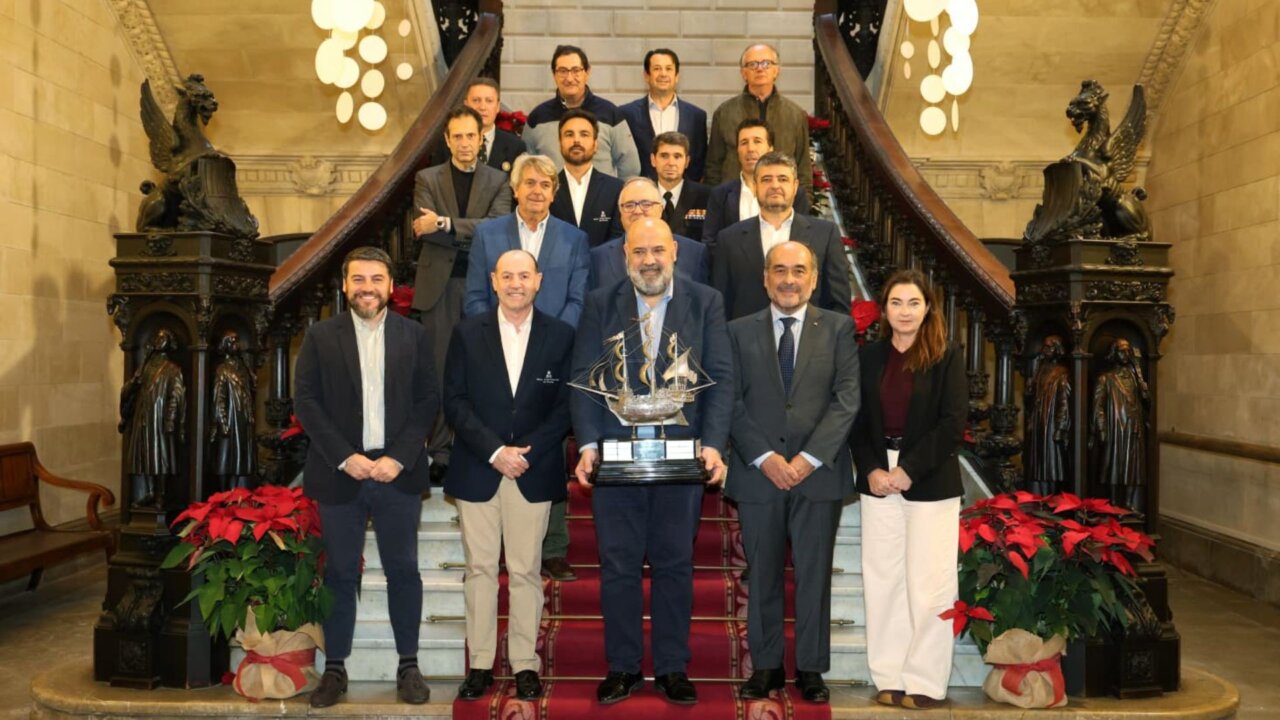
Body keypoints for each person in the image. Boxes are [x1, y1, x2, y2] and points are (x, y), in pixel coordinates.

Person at [571, 218, 733, 706]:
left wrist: (713, 444)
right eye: (639, 251)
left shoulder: (705, 302)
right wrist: (587, 444)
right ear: (625, 256)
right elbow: (583, 378)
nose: (649, 260)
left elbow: (721, 378)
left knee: (675, 564)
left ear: (675, 253)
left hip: (682, 458)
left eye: (658, 250)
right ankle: (622, 667)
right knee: (618, 565)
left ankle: (671, 668)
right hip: (617, 460)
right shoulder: (600, 303)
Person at [294, 247, 438, 708]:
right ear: (344, 286)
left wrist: (399, 456)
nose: (367, 288)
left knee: (403, 571)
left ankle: (408, 665)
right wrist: (344, 457)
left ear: (391, 286)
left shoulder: (414, 336)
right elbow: (307, 403)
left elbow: (427, 401)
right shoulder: (319, 336)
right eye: (358, 279)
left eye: (376, 279)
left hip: (397, 471)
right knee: (338, 573)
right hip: (341, 473)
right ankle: (334, 669)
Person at [726, 241, 859, 704]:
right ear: (765, 277)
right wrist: (766, 457)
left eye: (798, 270)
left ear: (814, 277)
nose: (788, 279)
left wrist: (808, 459)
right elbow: (730, 401)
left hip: (818, 476)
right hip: (759, 474)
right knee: (761, 572)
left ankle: (810, 668)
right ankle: (765, 667)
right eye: (779, 270)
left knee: (814, 574)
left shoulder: (839, 329)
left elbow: (847, 400)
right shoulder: (737, 331)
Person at [444, 249, 575, 703]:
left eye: (524, 275)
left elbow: (565, 407)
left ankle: (524, 665)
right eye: (507, 276)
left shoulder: (560, 336)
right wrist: (495, 451)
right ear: (494, 282)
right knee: (479, 570)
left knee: (525, 571)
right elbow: (454, 401)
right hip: (478, 467)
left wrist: (527, 453)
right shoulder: (466, 333)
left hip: (532, 470)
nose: (516, 283)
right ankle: (480, 663)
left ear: (538, 280)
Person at [847, 269, 966, 711]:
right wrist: (873, 468)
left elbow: (953, 422)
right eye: (896, 303)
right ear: (885, 309)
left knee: (930, 583)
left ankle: (926, 681)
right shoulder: (869, 357)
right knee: (883, 580)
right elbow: (855, 421)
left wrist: (909, 470)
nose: (904, 311)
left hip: (928, 478)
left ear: (927, 308)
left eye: (913, 303)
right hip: (879, 478)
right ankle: (890, 675)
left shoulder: (945, 355)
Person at [412, 106, 513, 478]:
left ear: (480, 137)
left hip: (482, 288)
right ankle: (439, 453)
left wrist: (446, 224)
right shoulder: (427, 178)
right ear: (447, 139)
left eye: (471, 135)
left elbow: (498, 227)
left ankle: (477, 449)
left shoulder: (498, 181)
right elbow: (424, 229)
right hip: (438, 290)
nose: (464, 143)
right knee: (440, 371)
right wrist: (465, 230)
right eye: (457, 136)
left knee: (482, 372)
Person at [711, 151, 849, 320]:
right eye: (766, 179)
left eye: (783, 179)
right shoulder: (729, 239)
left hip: (809, 343)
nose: (775, 186)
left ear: (795, 186)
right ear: (755, 186)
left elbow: (839, 304)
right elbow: (720, 304)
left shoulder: (826, 234)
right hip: (745, 343)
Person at [465, 154, 591, 328]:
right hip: (497, 343)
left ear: (553, 194)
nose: (537, 191)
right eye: (530, 183)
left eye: (545, 185)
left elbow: (578, 301)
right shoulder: (486, 235)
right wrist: (497, 333)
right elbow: (475, 297)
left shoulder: (575, 240)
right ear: (515, 189)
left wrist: (555, 338)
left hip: (555, 344)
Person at [706, 43, 811, 192]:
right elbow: (713, 166)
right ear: (743, 73)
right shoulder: (725, 113)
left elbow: (803, 168)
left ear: (777, 71)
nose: (760, 68)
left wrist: (802, 206)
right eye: (752, 64)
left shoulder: (795, 115)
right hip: (734, 201)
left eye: (766, 63)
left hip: (780, 200)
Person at [523, 45, 640, 179]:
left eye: (576, 70)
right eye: (562, 71)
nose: (569, 78)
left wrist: (612, 193)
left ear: (587, 72)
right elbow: (526, 166)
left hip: (601, 198)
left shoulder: (611, 114)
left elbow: (630, 167)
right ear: (554, 74)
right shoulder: (537, 118)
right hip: (554, 198)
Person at [589, 177, 708, 291]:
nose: (637, 211)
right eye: (629, 205)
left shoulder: (694, 253)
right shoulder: (598, 258)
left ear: (661, 209)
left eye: (646, 204)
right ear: (620, 212)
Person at [702, 119, 808, 244]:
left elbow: (803, 239)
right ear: (737, 150)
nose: (750, 149)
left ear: (770, 148)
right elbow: (710, 242)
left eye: (757, 141)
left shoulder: (794, 194)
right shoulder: (721, 194)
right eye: (744, 143)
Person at [618, 49, 708, 181]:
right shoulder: (626, 114)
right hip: (642, 195)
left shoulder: (696, 117)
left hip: (684, 197)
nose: (663, 74)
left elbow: (699, 162)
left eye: (669, 69)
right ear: (646, 75)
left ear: (677, 76)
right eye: (657, 68)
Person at [549, 109, 624, 247]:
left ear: (595, 145)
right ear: (560, 143)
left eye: (584, 134)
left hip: (602, 266)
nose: (576, 140)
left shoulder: (617, 189)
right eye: (569, 134)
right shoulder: (547, 188)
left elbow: (618, 239)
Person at [428, 78, 526, 173]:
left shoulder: (515, 146)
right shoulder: (446, 144)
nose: (482, 107)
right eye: (476, 100)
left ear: (497, 107)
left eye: (489, 101)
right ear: (466, 104)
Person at [648, 131, 710, 240]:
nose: (671, 163)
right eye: (664, 156)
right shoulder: (642, 195)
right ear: (653, 160)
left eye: (677, 157)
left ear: (687, 161)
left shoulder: (707, 197)